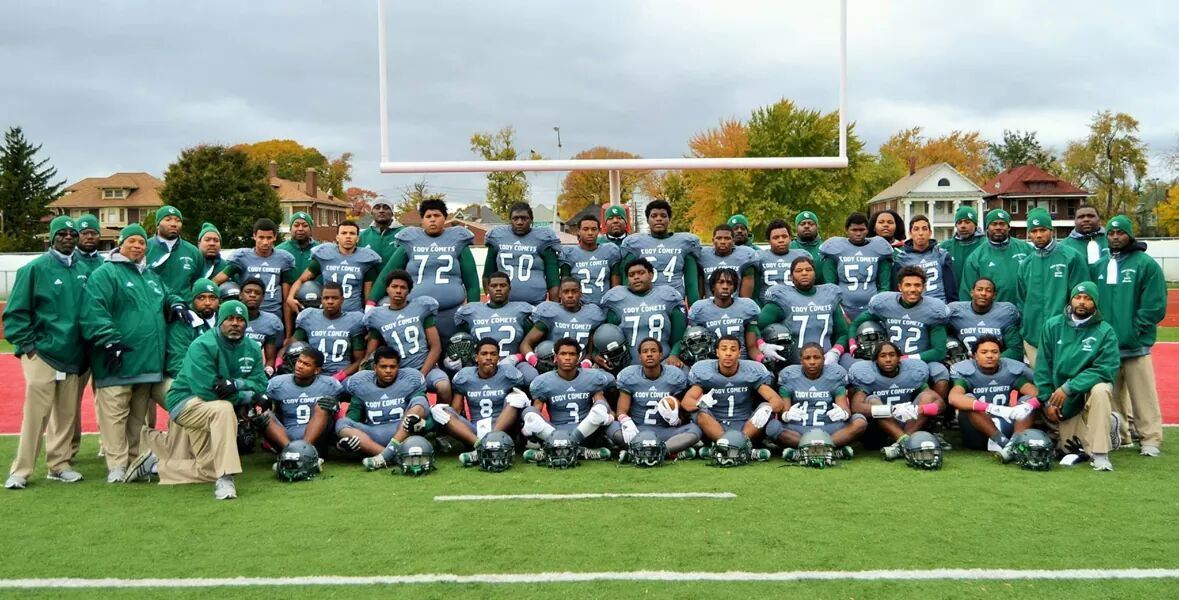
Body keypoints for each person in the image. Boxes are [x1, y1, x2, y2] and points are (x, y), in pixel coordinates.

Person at [127, 300, 269, 499]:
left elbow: (261, 384)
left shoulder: (252, 347)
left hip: (214, 407)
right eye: (229, 319)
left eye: (240, 319)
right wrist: (248, 394)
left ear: (246, 323)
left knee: (209, 467)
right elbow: (207, 391)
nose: (235, 323)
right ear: (220, 321)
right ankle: (225, 478)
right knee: (223, 408)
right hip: (186, 402)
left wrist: (236, 384)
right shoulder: (203, 344)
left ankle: (155, 465)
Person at [4, 217, 91, 489]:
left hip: (73, 355)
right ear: (52, 238)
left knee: (66, 415)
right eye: (62, 233)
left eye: (72, 233)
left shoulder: (84, 270)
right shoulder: (34, 268)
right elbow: (15, 313)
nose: (68, 238)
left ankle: (59, 465)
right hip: (42, 353)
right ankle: (21, 470)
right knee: (36, 414)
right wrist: (29, 347)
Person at [81, 224, 169, 483]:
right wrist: (109, 341)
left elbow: (166, 297)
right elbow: (94, 309)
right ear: (121, 244)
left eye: (142, 243)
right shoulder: (105, 273)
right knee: (114, 416)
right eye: (132, 241)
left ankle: (134, 460)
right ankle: (116, 465)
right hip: (116, 361)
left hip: (146, 361)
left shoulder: (150, 276)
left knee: (136, 418)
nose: (138, 246)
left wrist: (175, 302)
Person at [1092, 215, 1167, 456]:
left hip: (1136, 345)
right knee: (1113, 396)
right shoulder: (1099, 265)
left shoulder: (1145, 264)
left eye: (1120, 233)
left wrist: (1135, 330)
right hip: (1107, 346)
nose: (1115, 237)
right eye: (1111, 233)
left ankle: (1150, 439)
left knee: (1143, 396)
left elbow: (1155, 305)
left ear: (1130, 235)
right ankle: (1122, 436)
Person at [1034, 282, 1121, 471]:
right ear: (1071, 300)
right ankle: (1109, 425)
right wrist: (1048, 401)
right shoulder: (1052, 326)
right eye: (1078, 297)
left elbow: (1105, 369)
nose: (1082, 302)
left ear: (1095, 303)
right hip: (1062, 399)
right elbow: (1042, 367)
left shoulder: (1105, 331)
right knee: (1069, 448)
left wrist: (1069, 387)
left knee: (1101, 389)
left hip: (1086, 392)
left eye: (1088, 298)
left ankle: (1100, 455)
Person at [369, 199, 479, 340]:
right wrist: (371, 302)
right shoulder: (410, 240)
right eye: (428, 216)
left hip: (452, 313)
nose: (432, 219)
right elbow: (387, 275)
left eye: (437, 215)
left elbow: (472, 283)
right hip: (415, 314)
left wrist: (472, 311)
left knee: (454, 351)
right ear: (422, 220)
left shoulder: (457, 240)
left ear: (445, 218)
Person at [850, 266, 952, 400]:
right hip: (888, 358)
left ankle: (938, 412)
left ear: (924, 288)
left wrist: (906, 358)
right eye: (908, 285)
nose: (913, 289)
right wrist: (852, 345)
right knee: (858, 374)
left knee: (941, 375)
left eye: (917, 285)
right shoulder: (885, 303)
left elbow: (939, 352)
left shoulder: (934, 310)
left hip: (921, 359)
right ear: (899, 287)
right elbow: (856, 323)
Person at [364, 269, 451, 409]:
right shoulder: (377, 316)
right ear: (387, 289)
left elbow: (436, 347)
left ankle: (440, 417)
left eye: (403, 287)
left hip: (426, 367)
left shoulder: (421, 307)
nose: (398, 291)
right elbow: (370, 353)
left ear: (409, 291)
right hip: (398, 372)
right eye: (394, 286)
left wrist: (421, 375)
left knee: (444, 386)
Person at [681, 336, 783, 453]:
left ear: (739, 353)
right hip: (714, 425)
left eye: (733, 349)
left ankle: (733, 446)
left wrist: (767, 408)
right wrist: (700, 403)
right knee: (700, 413)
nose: (728, 353)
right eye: (724, 349)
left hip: (746, 425)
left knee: (765, 409)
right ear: (717, 352)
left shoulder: (752, 371)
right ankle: (735, 447)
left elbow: (777, 402)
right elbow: (686, 402)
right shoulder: (704, 371)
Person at [522, 338, 616, 460]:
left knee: (600, 406)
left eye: (572, 354)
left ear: (578, 358)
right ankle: (581, 451)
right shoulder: (543, 382)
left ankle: (552, 452)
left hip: (586, 432)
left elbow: (604, 406)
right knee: (529, 412)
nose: (567, 358)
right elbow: (536, 413)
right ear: (556, 357)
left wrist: (609, 417)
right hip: (554, 433)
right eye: (563, 354)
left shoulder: (591, 377)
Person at [1017, 208, 1088, 366]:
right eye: (1034, 231)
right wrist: (1025, 329)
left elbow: (1081, 298)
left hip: (1065, 336)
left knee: (1065, 379)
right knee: (1039, 379)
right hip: (1033, 338)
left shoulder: (1071, 257)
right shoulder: (1026, 264)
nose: (1038, 235)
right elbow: (1021, 301)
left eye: (1043, 230)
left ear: (1051, 230)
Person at [608, 338, 703, 456]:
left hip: (665, 431)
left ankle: (651, 451)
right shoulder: (629, 376)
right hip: (638, 429)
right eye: (645, 351)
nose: (649, 354)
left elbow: (681, 411)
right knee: (610, 425)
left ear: (661, 355)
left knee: (695, 429)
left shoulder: (674, 376)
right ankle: (667, 450)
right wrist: (625, 421)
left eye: (653, 351)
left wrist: (676, 419)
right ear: (639, 356)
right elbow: (621, 410)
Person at [769, 343, 865, 459]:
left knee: (860, 422)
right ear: (801, 360)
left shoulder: (835, 375)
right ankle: (829, 451)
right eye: (807, 358)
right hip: (799, 429)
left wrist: (843, 413)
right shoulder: (789, 376)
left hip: (829, 427)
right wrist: (786, 415)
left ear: (824, 359)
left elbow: (844, 407)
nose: (812, 362)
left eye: (817, 357)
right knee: (772, 427)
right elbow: (783, 412)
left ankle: (807, 451)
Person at [848, 341, 943, 458]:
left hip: (910, 424)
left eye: (892, 355)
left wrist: (920, 409)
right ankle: (907, 444)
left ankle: (903, 443)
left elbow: (939, 402)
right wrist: (891, 409)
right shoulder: (867, 374)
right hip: (880, 431)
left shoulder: (912, 372)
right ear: (876, 360)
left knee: (927, 397)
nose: (888, 359)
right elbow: (856, 407)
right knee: (872, 400)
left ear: (899, 358)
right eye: (883, 356)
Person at [947, 335, 1039, 454]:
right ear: (975, 356)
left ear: (1000, 354)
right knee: (968, 400)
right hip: (978, 429)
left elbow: (1036, 394)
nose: (990, 355)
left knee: (1027, 401)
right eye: (984, 352)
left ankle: (1015, 442)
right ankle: (1004, 444)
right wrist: (991, 408)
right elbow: (954, 398)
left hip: (1006, 423)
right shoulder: (966, 370)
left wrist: (1026, 406)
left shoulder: (1010, 370)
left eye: (994, 352)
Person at [338, 347, 430, 465]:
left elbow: (424, 409)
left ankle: (384, 457)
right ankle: (391, 457)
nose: (388, 370)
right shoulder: (361, 383)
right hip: (373, 434)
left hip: (403, 431)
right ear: (374, 367)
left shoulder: (410, 379)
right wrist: (342, 443)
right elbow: (353, 418)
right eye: (383, 366)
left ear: (398, 367)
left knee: (420, 401)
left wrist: (423, 424)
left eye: (392, 367)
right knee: (341, 423)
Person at [440, 339, 527, 464]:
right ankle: (481, 446)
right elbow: (456, 410)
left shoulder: (509, 374)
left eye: (493, 354)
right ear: (476, 357)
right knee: (441, 411)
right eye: (484, 354)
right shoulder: (465, 376)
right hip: (475, 431)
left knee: (517, 397)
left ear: (498, 358)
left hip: (503, 430)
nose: (489, 357)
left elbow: (520, 407)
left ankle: (484, 448)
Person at [758, 256, 851, 368]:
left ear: (815, 274)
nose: (804, 273)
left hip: (826, 365)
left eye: (808, 270)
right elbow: (753, 327)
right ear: (791, 277)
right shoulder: (782, 297)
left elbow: (843, 333)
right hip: (792, 367)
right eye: (798, 271)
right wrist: (762, 346)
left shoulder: (829, 295)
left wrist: (835, 351)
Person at [213, 218, 296, 339]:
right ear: (254, 236)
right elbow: (216, 281)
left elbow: (286, 300)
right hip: (247, 315)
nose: (265, 242)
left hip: (273, 314)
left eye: (269, 238)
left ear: (275, 237)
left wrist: (288, 335)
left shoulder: (284, 259)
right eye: (261, 237)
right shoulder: (242, 257)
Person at [601, 258, 687, 368]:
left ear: (651, 275)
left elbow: (680, 336)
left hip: (664, 363)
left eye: (641, 273)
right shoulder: (617, 299)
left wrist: (674, 355)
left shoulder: (667, 296)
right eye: (631, 275)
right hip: (628, 367)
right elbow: (605, 335)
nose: (636, 277)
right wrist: (596, 354)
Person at [455, 271, 538, 383]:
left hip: (515, 362)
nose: (498, 289)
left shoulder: (523, 310)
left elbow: (531, 343)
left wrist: (517, 357)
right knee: (460, 378)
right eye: (494, 286)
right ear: (487, 289)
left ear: (509, 289)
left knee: (532, 376)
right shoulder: (470, 311)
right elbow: (460, 339)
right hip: (481, 364)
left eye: (503, 285)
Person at [288, 220, 382, 315]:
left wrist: (367, 315)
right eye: (344, 233)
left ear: (357, 238)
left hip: (353, 314)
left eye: (352, 233)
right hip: (328, 314)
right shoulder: (325, 255)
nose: (348, 236)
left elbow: (368, 296)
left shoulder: (365, 259)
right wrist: (290, 297)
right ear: (337, 237)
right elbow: (302, 280)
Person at [620, 200, 703, 304]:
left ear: (669, 219)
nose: (659, 219)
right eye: (654, 216)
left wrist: (694, 308)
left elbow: (691, 285)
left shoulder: (685, 242)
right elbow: (627, 281)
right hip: (646, 303)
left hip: (674, 301)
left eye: (663, 216)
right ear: (647, 220)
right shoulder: (635, 243)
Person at [261, 346, 341, 449]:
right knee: (264, 414)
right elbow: (260, 400)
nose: (300, 366)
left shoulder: (330, 384)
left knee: (323, 405)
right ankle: (292, 449)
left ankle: (304, 449)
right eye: (299, 361)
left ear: (316, 370)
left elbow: (344, 405)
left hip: (317, 438)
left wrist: (335, 405)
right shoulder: (277, 383)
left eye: (306, 364)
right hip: (284, 435)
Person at [820, 213, 893, 319]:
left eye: (862, 230)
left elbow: (884, 286)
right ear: (846, 230)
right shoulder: (834, 248)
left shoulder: (879, 248)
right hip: (843, 307)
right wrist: (838, 310)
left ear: (867, 230)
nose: (858, 233)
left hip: (871, 308)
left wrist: (877, 306)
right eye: (854, 230)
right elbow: (830, 287)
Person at [485, 202, 561, 304]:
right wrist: (491, 301)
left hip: (535, 304)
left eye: (524, 218)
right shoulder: (497, 237)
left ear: (532, 220)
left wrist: (554, 306)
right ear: (510, 220)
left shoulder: (544, 238)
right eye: (515, 218)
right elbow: (487, 274)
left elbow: (553, 279)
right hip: (503, 305)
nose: (520, 222)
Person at [290, 282, 366, 379]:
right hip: (312, 374)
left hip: (342, 375)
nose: (330, 302)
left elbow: (359, 359)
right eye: (326, 298)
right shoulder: (309, 316)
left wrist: (341, 376)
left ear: (342, 300)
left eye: (334, 298)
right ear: (321, 299)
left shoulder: (354, 321)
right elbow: (293, 347)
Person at [956, 208, 1031, 305]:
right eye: (994, 224)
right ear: (987, 228)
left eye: (1002, 224)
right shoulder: (976, 257)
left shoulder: (1026, 249)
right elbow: (967, 291)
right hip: (993, 312)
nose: (998, 227)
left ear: (1009, 227)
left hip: (1025, 308)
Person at [519, 277, 605, 360]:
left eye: (574, 291)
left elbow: (591, 351)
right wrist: (535, 362)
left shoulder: (592, 315)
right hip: (554, 364)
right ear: (560, 294)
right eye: (566, 292)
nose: (570, 295)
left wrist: (587, 362)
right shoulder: (550, 313)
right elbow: (525, 344)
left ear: (580, 293)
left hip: (582, 364)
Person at [688, 268, 762, 360]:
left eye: (729, 283)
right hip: (711, 362)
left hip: (740, 361)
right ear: (713, 286)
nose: (725, 286)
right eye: (721, 282)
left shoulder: (747, 307)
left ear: (734, 288)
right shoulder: (700, 309)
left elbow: (752, 347)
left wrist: (762, 359)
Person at [947, 278, 1023, 361]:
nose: (983, 293)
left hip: (997, 363)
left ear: (994, 295)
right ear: (972, 292)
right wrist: (952, 343)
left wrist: (991, 360)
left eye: (988, 290)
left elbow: (1016, 349)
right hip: (965, 363)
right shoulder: (955, 311)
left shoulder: (1006, 312)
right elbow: (941, 331)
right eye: (979, 289)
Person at [163, 279, 220, 389]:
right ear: (192, 300)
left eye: (212, 298)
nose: (207, 302)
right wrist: (208, 381)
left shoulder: (226, 321)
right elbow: (176, 363)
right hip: (186, 380)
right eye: (201, 298)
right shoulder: (182, 323)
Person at [560, 214, 621, 307]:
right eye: (585, 229)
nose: (590, 233)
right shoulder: (569, 252)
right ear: (579, 231)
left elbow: (615, 285)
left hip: (605, 305)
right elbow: (565, 283)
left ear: (599, 231)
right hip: (580, 307)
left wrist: (613, 303)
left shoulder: (610, 250)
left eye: (594, 229)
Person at [145, 205, 203, 301]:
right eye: (168, 219)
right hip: (153, 306)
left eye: (177, 220)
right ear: (158, 224)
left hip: (184, 306)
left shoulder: (193, 252)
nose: (173, 224)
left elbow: (197, 284)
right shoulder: (144, 248)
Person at [894, 215, 956, 302]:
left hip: (939, 304)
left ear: (930, 232)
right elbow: (897, 291)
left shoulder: (941, 255)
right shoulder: (902, 259)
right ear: (910, 233)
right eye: (916, 229)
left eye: (924, 229)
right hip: (914, 307)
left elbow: (951, 288)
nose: (920, 233)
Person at [754, 219, 810, 303]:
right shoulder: (759, 256)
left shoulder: (802, 255)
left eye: (784, 236)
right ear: (769, 241)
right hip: (768, 303)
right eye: (776, 237)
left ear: (790, 238)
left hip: (795, 304)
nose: (781, 240)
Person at [698, 224, 759, 298]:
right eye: (719, 238)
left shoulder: (745, 255)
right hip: (710, 303)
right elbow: (698, 295)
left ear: (733, 241)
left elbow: (745, 299)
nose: (723, 242)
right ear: (713, 241)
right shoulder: (703, 256)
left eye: (727, 238)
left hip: (735, 304)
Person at [240, 278, 283, 373]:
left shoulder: (270, 321)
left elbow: (270, 359)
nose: (252, 295)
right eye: (248, 292)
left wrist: (266, 373)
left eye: (257, 293)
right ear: (240, 295)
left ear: (263, 298)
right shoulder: (231, 318)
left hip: (256, 371)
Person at [939, 206, 984, 276]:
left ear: (975, 224)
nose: (963, 226)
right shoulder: (945, 247)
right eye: (959, 222)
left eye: (967, 222)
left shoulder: (985, 245)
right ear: (956, 225)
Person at [358, 196, 403, 265]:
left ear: (392, 212)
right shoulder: (362, 236)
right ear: (371, 213)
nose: (381, 210)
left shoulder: (404, 234)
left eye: (386, 207)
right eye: (377, 207)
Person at [275, 211, 319, 280]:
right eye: (296, 225)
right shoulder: (279, 251)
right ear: (290, 229)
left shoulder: (320, 251)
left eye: (305, 226)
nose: (300, 229)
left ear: (311, 229)